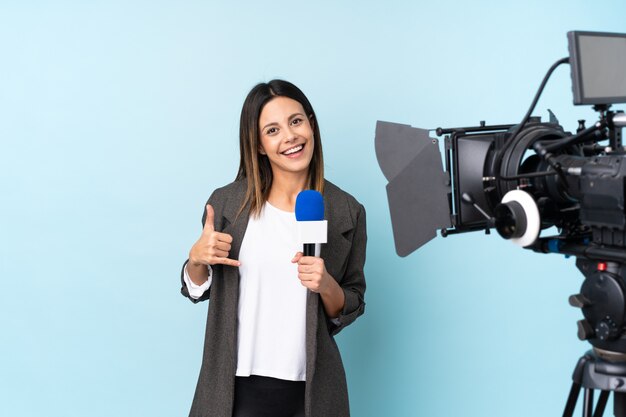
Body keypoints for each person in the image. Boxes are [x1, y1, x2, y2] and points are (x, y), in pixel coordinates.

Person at [180, 79, 367, 417]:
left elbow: (350, 303)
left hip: (311, 393)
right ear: (260, 146)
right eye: (272, 130)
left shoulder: (346, 211)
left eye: (296, 121)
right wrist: (196, 259)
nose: (290, 137)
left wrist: (326, 284)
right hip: (233, 389)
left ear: (311, 124)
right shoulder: (226, 204)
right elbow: (196, 289)